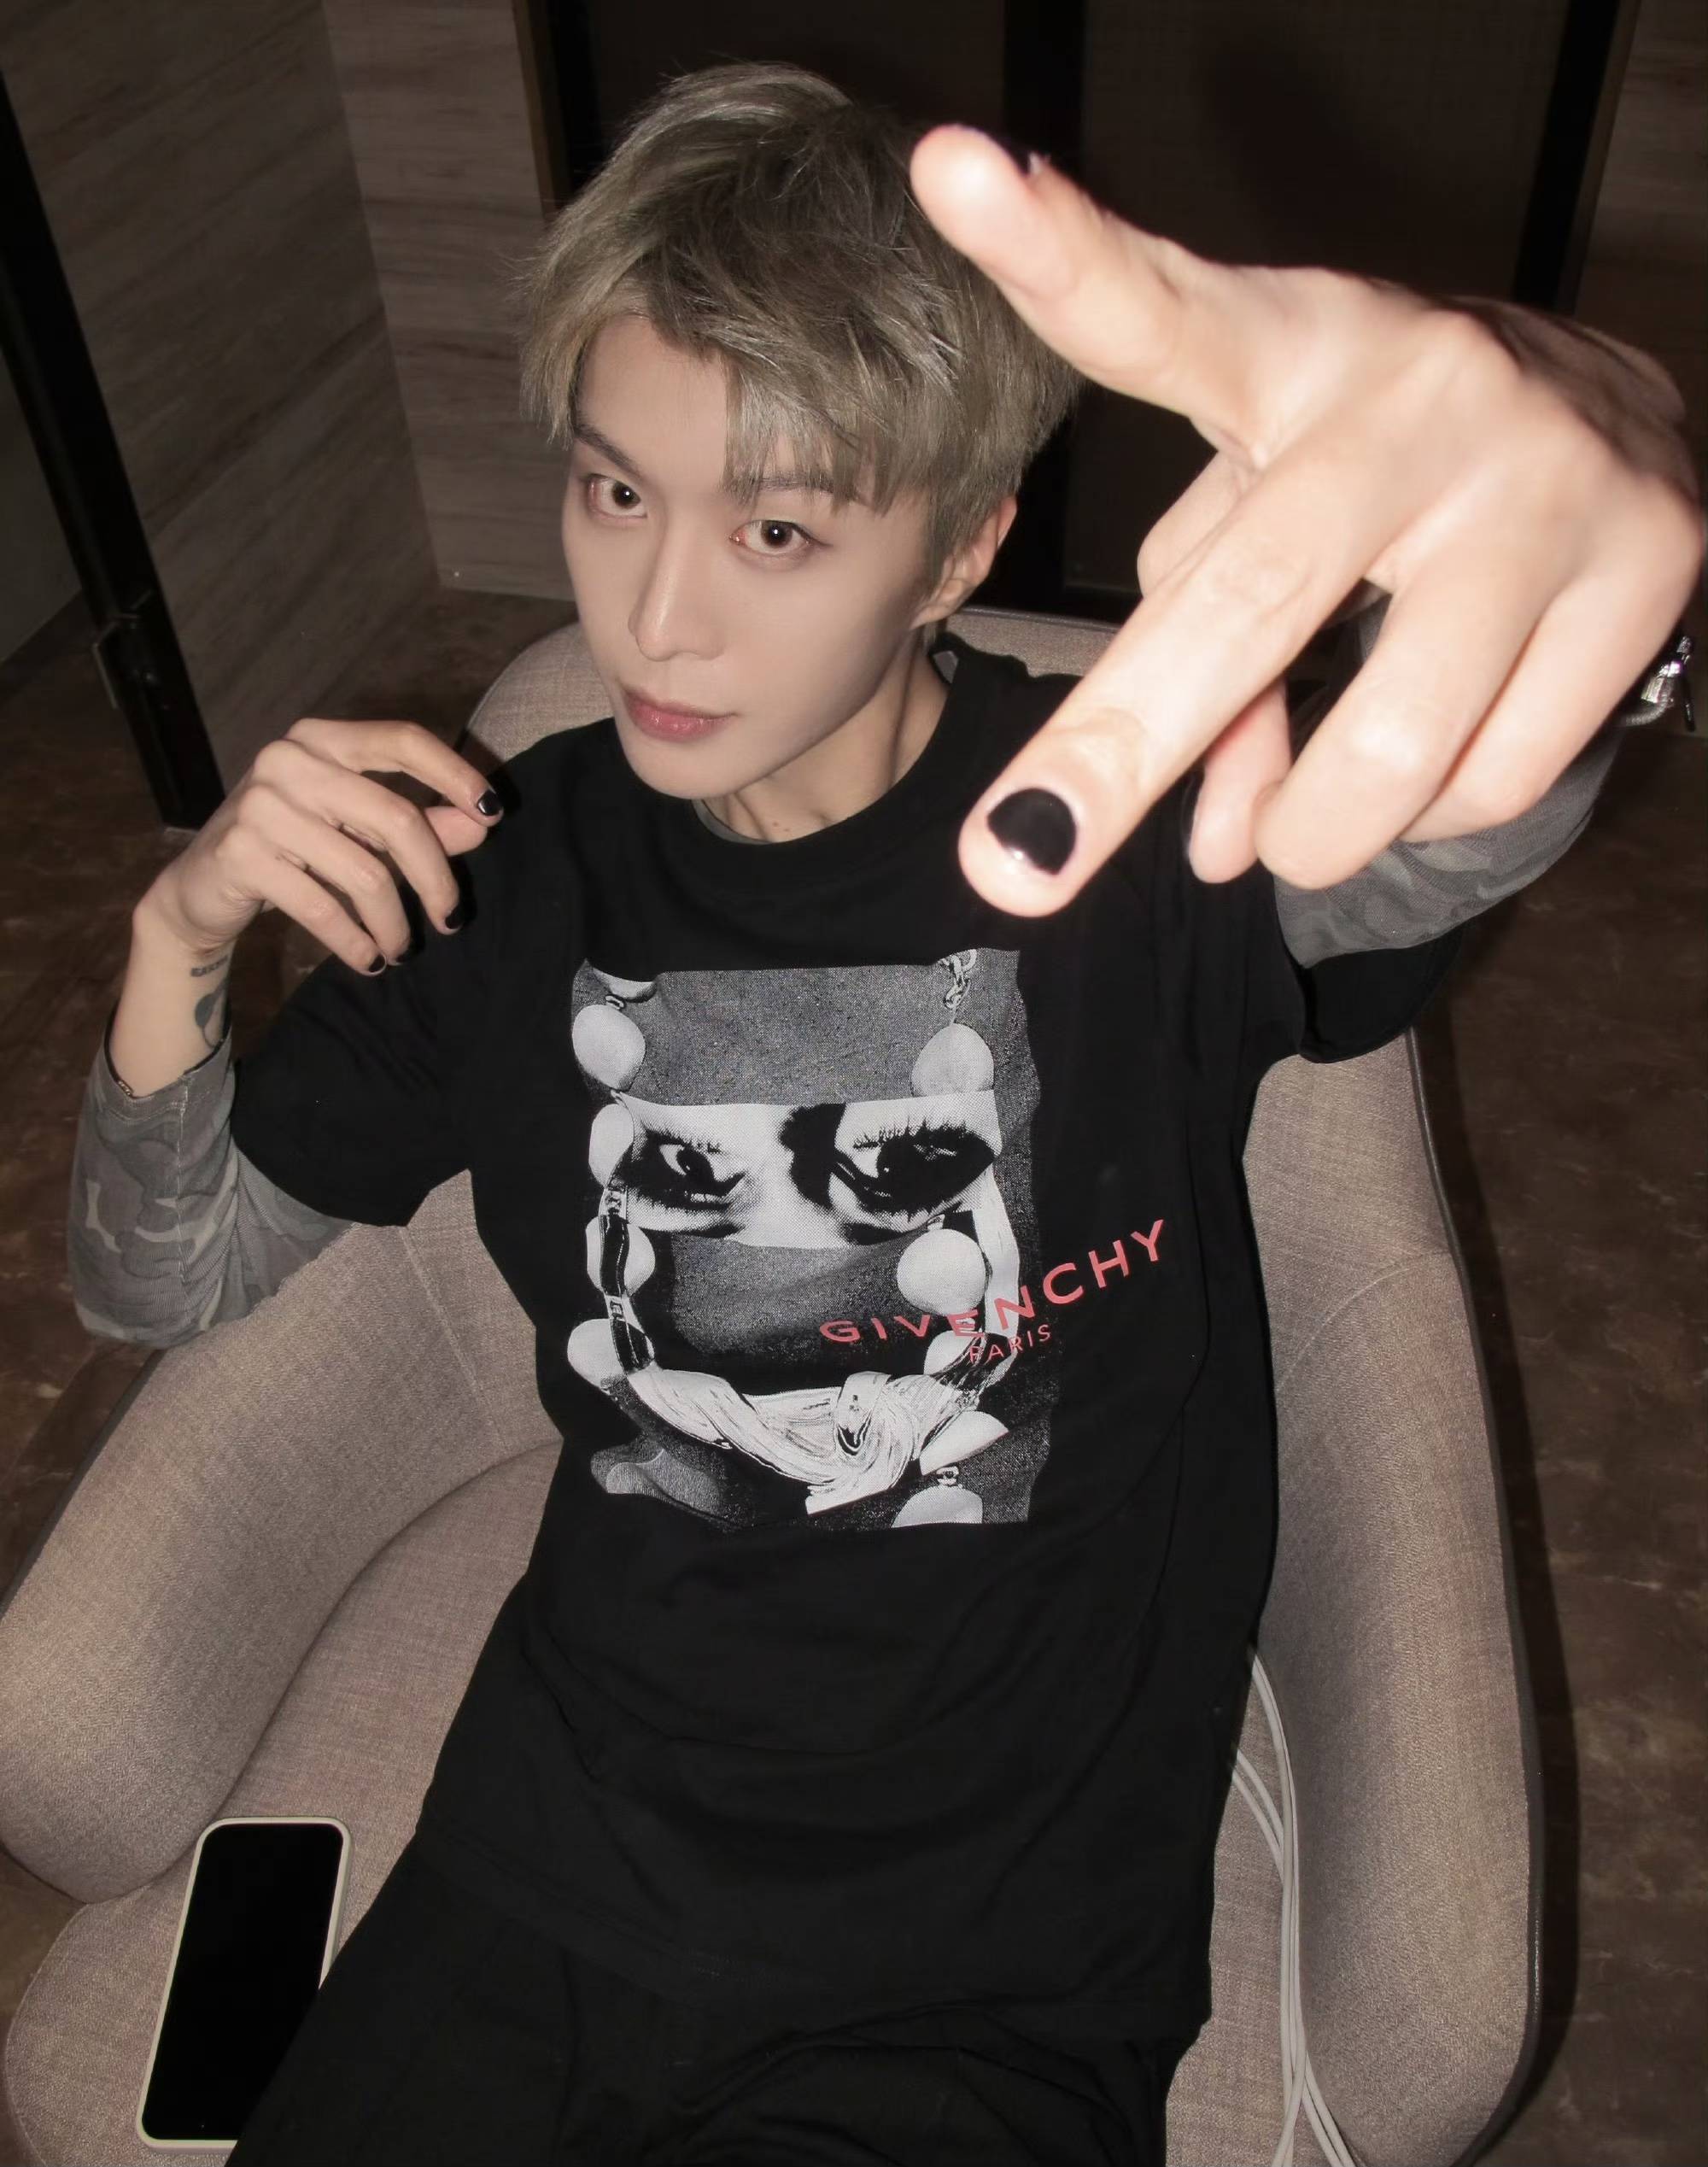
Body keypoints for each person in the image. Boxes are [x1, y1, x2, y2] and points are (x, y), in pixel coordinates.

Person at [67, 59, 1699, 2167]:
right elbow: (164, 1281)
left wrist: (1600, 484)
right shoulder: (509, 867)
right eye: (615, 490)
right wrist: (178, 938)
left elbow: (1470, 779)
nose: (656, 615)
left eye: (776, 528)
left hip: (990, 1946)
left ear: (961, 544)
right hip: (555, 1861)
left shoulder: (1135, 812)